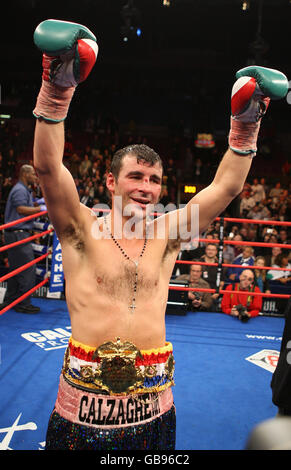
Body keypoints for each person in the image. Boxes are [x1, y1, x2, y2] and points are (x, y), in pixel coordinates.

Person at [31, 19, 287, 450]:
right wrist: (57, 89)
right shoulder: (81, 230)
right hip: (83, 409)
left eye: (153, 180)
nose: (146, 188)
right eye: (135, 176)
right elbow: (47, 168)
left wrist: (245, 123)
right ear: (111, 183)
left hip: (154, 408)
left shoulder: (170, 233)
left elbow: (227, 187)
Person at [1, 165, 45, 313]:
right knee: (27, 269)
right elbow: (21, 209)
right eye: (33, 174)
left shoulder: (23, 189)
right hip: (18, 234)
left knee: (15, 269)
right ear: (25, 174)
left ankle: (10, 300)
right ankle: (23, 303)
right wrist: (41, 209)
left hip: (15, 233)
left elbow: (24, 205)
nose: (35, 177)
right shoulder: (20, 189)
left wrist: (37, 204)